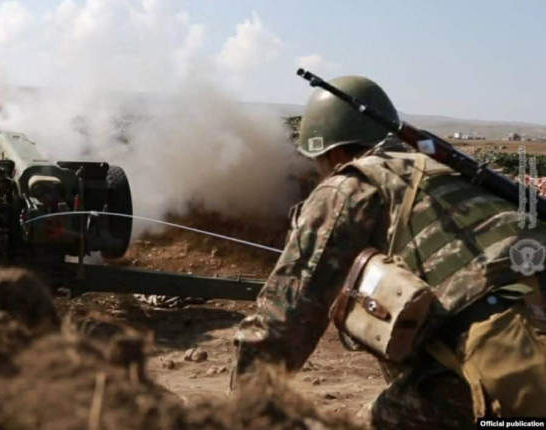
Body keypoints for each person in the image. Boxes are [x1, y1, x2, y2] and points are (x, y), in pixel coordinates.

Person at [229, 75, 546, 428]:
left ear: (333, 153)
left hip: (509, 374)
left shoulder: (349, 187)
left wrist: (242, 414)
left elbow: (281, 323)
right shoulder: (455, 175)